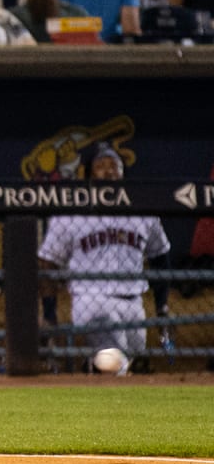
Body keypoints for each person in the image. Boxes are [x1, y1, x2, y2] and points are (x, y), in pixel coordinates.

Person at [38, 143, 171, 371]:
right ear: (89, 173)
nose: (109, 171)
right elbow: (48, 261)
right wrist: (50, 313)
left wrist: (162, 306)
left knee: (129, 364)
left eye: (114, 166)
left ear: (123, 173)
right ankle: (96, 366)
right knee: (113, 361)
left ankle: (90, 367)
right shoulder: (72, 213)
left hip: (134, 302)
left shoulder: (143, 211)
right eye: (101, 166)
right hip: (92, 299)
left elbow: (160, 255)